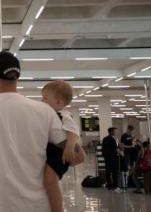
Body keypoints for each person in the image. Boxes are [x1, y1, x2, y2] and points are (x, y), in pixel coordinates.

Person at [0, 51, 77, 212]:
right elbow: (74, 155)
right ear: (17, 76)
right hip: (41, 205)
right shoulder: (44, 111)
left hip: (3, 204)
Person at [41, 81, 85, 212]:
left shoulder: (64, 115)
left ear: (59, 103)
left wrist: (69, 147)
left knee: (50, 180)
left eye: (45, 98)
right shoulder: (47, 115)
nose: (42, 100)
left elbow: (73, 133)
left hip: (61, 152)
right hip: (53, 150)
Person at [102, 127, 121, 192]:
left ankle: (109, 186)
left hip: (107, 158)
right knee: (114, 172)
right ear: (111, 132)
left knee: (108, 171)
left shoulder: (104, 139)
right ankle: (115, 186)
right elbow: (116, 149)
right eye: (114, 131)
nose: (115, 132)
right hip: (113, 158)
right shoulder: (113, 139)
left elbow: (103, 149)